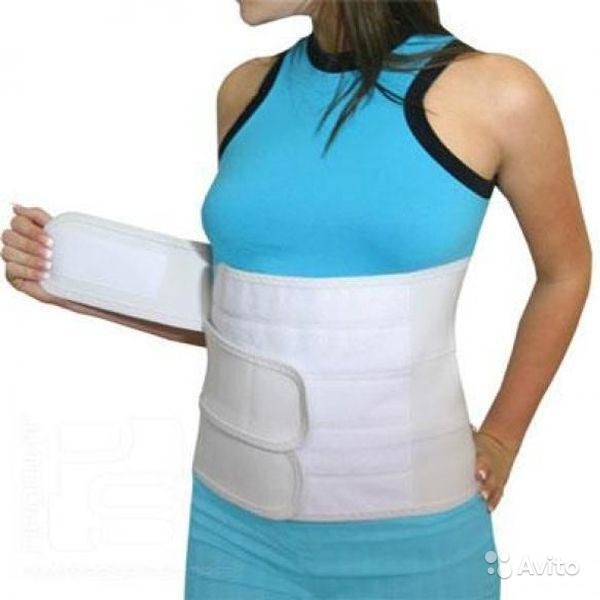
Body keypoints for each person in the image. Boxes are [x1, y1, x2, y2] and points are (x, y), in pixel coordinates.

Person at [2, 1, 592, 598]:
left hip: (415, 536)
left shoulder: (496, 93)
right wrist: (77, 280)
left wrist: (503, 436)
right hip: (233, 531)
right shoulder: (245, 91)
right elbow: (245, 309)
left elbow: (565, 271)